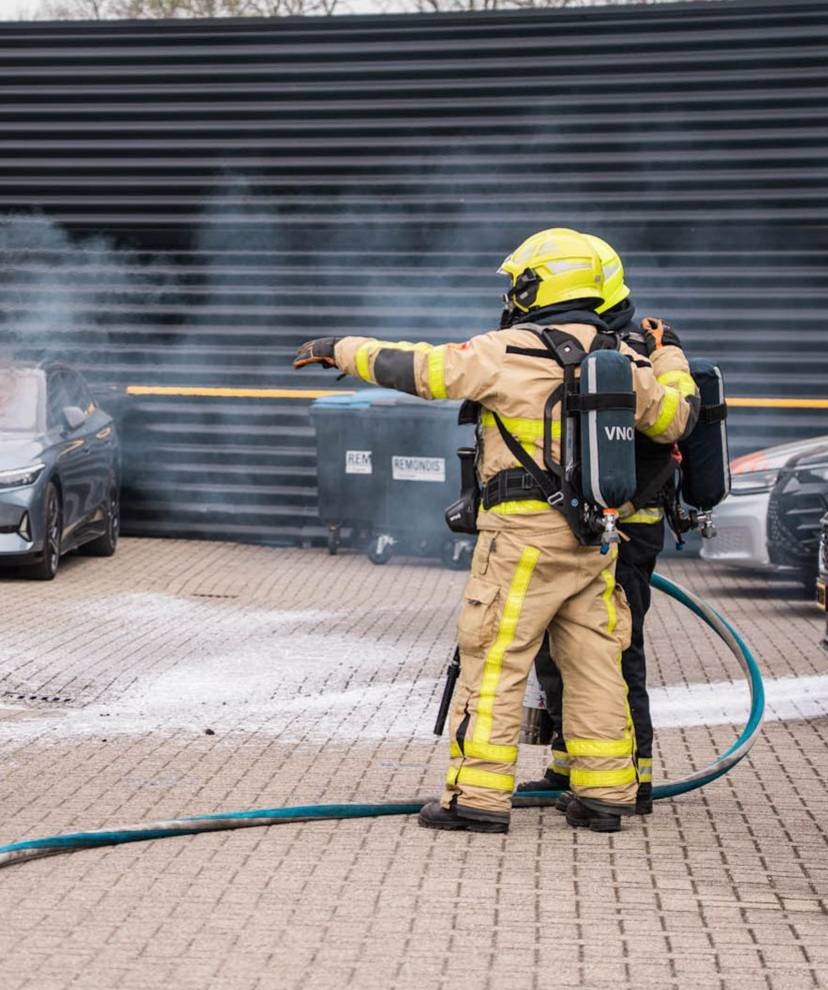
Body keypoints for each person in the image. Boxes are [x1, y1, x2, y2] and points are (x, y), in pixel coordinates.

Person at [294, 228, 696, 834]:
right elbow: (676, 420)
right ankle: (607, 795)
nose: (512, 294)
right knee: (595, 666)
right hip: (594, 539)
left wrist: (340, 348)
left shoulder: (507, 351)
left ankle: (476, 798)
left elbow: (421, 369)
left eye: (520, 284)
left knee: (495, 660)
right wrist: (670, 359)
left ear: (542, 287)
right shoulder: (623, 361)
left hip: (522, 538)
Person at [518, 237, 699, 816]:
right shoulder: (565, 343)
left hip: (627, 525)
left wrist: (670, 358)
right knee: (558, 650)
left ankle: (632, 776)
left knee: (615, 651)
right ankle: (570, 764)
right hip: (571, 523)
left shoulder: (645, 348)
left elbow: (677, 419)